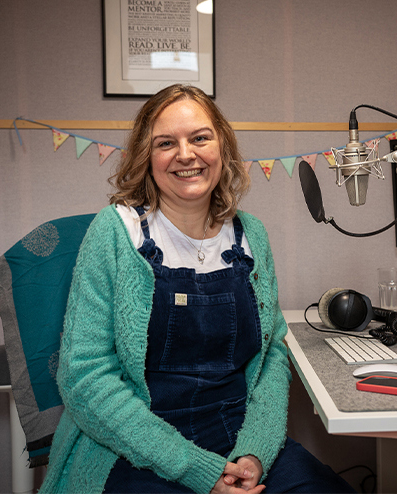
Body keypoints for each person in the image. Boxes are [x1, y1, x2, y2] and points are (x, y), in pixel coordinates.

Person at [39, 84, 355, 494]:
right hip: (136, 446)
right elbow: (84, 377)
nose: (185, 154)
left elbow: (271, 353)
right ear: (146, 158)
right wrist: (199, 471)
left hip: (237, 440)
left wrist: (253, 455)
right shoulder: (115, 234)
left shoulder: (251, 235)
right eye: (166, 142)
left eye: (200, 138)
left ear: (221, 147)